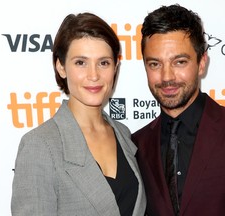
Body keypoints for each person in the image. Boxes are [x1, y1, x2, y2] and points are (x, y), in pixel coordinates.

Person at [11, 12, 146, 216]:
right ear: (61, 67)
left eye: (103, 63)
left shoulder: (124, 134)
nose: (94, 75)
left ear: (115, 67)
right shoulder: (40, 146)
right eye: (81, 63)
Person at [132, 4, 225, 216]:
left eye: (179, 62)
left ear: (201, 63)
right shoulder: (136, 145)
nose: (167, 77)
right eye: (155, 64)